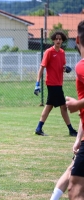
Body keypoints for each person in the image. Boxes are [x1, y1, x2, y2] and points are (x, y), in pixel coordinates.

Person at [33, 31, 77, 136]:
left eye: (60, 39)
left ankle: (39, 128)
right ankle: (70, 130)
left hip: (58, 83)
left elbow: (62, 67)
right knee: (60, 106)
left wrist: (66, 69)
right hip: (52, 84)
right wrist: (37, 83)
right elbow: (42, 68)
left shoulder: (62, 52)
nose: (58, 40)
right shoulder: (48, 52)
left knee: (52, 106)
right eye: (56, 39)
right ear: (53, 40)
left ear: (62, 41)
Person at [66, 20, 84, 200]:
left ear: (77, 39)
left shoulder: (81, 66)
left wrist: (78, 104)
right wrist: (79, 137)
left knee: (75, 189)